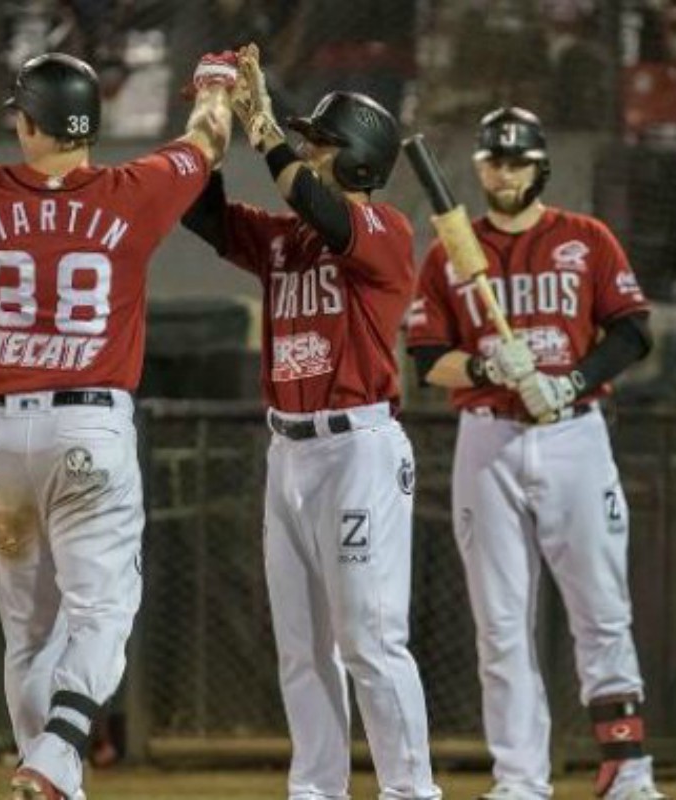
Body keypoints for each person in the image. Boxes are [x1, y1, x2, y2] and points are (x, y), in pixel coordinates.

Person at [0, 13, 233, 797]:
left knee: (29, 635)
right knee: (102, 611)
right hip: (90, 425)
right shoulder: (133, 191)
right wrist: (215, 82)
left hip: (4, 433)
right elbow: (209, 143)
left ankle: (52, 776)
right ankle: (61, 750)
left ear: (28, 122)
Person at [180, 43, 440, 800]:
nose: (309, 154)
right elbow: (205, 214)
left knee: (370, 639)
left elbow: (316, 202)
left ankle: (410, 791)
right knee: (302, 648)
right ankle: (317, 789)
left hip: (357, 448)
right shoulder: (286, 238)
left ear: (357, 158)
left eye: (322, 144)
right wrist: (212, 116)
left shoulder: (385, 231)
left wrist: (265, 129)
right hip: (288, 454)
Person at [405, 106, 665, 800]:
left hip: (575, 432)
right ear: (481, 167)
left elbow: (633, 331)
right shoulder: (450, 254)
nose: (505, 171)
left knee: (602, 608)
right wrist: (490, 368)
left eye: (517, 160)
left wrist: (573, 377)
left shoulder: (586, 239)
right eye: (495, 160)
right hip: (488, 438)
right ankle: (520, 779)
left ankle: (627, 770)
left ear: (540, 165)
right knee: (500, 621)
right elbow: (427, 358)